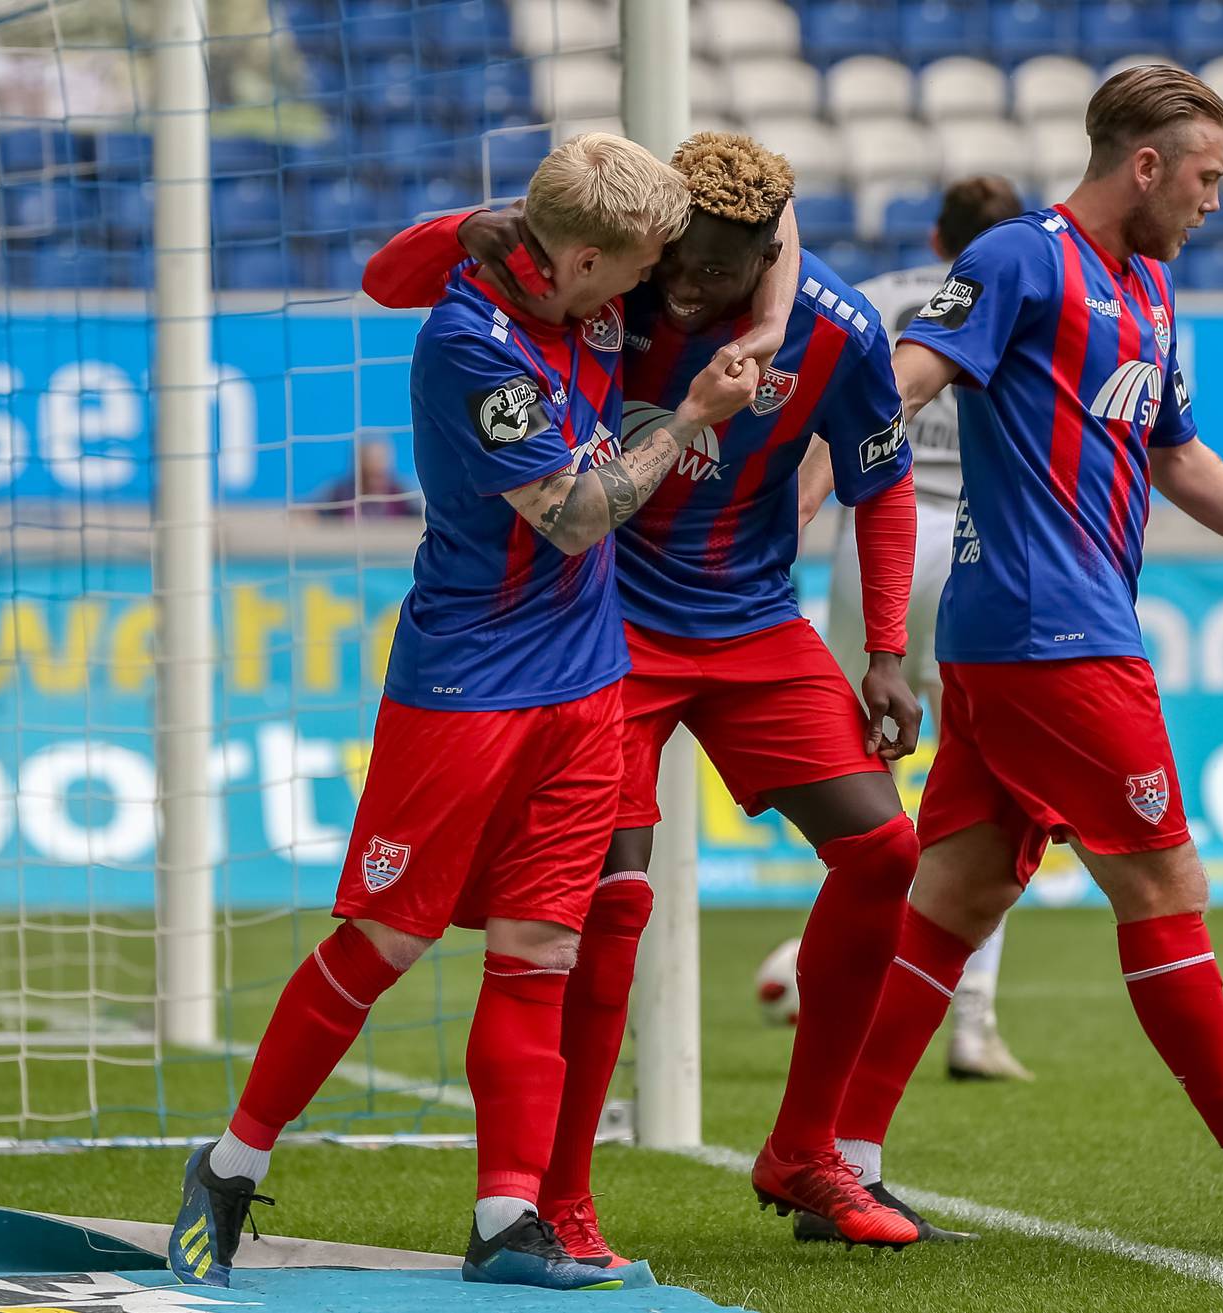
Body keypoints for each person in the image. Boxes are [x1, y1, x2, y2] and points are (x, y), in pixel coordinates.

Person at [803, 66, 1223, 1246]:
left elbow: (1174, 453)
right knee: (1164, 885)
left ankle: (840, 1163)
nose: (1214, 203)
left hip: (1027, 634)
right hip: (1054, 633)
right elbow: (909, 374)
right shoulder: (1019, 260)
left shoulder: (1146, 284)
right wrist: (810, 453)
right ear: (1146, 165)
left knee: (963, 888)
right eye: (1205, 179)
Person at [169, 133, 761, 1290]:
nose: (649, 285)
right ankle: (227, 1165)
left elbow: (753, 248)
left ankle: (505, 1223)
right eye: (634, 265)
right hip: (468, 687)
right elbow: (579, 517)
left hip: (587, 683)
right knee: (387, 939)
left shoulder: (583, 288)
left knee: (542, 946)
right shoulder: (468, 347)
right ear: (581, 256)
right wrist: (687, 421)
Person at [361, 132, 929, 1253]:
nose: (677, 287)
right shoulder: (606, 292)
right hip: (600, 623)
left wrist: (887, 651)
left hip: (753, 621)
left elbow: (884, 481)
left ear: (768, 252)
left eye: (709, 271)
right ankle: (558, 1201)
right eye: (668, 262)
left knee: (884, 855)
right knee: (599, 911)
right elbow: (397, 283)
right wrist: (477, 222)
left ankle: (804, 1150)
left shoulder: (839, 328)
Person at [798, 174, 1034, 1085]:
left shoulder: (884, 300)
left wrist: (809, 501)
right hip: (977, 538)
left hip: (878, 535)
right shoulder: (1025, 288)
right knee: (983, 778)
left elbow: (837, 417)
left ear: (936, 232)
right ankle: (969, 1020)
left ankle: (851, 980)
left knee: (865, 783)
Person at [312, 438, 421, 518]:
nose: (376, 466)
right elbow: (309, 511)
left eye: (380, 460)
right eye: (370, 460)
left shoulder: (402, 496)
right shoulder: (339, 494)